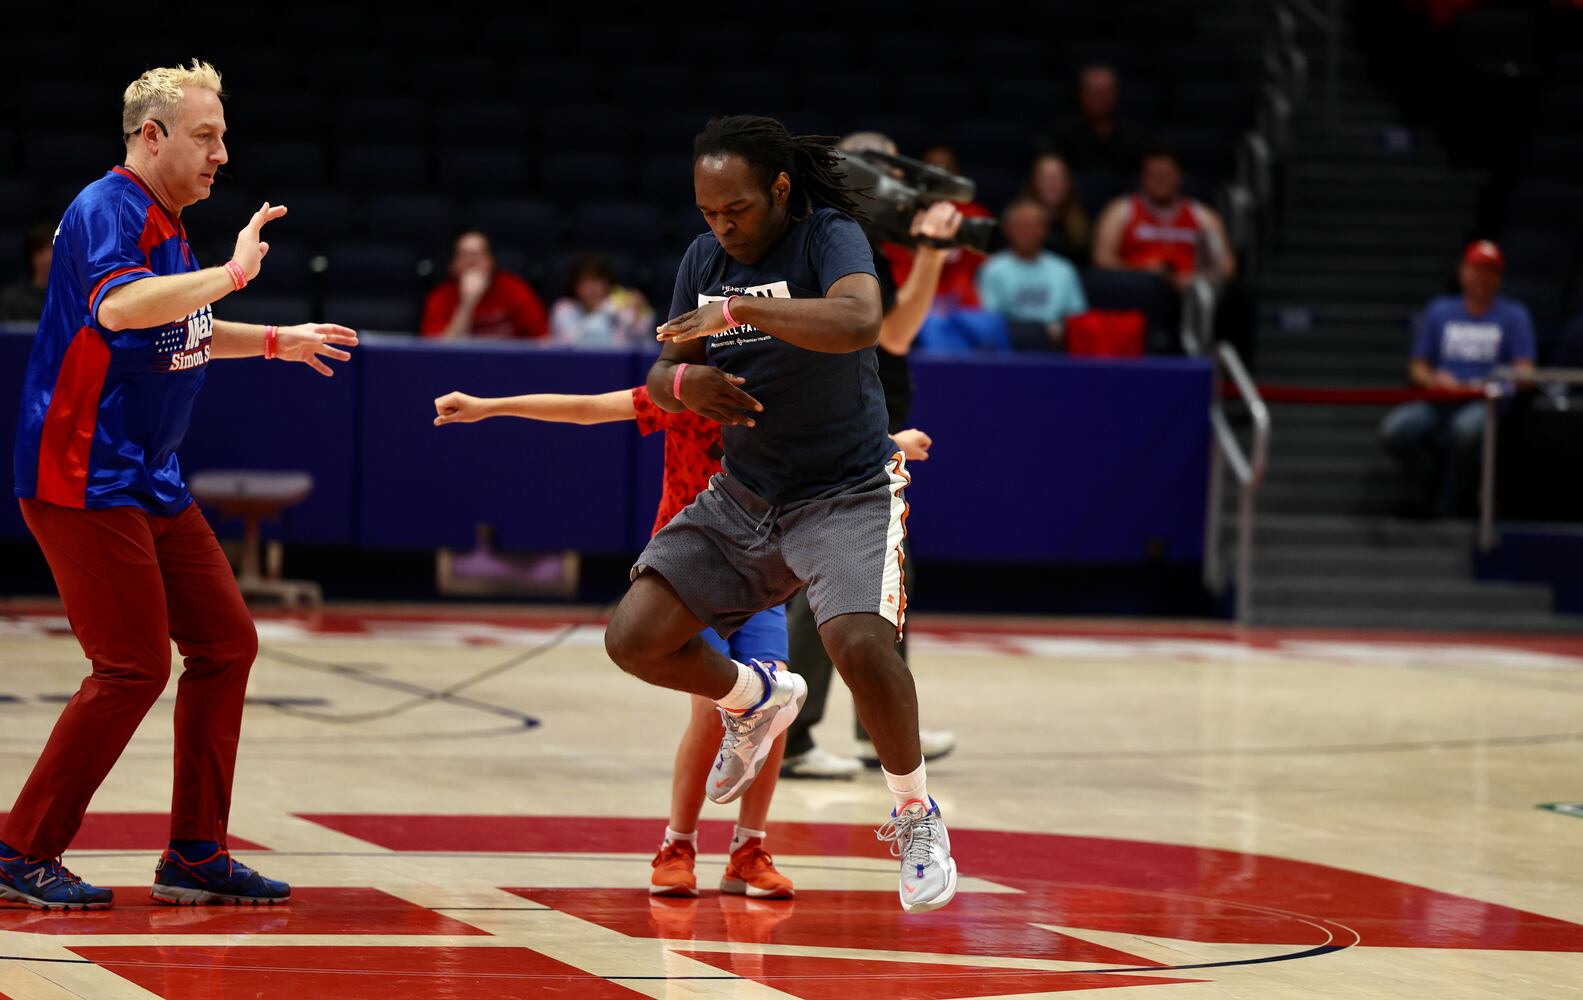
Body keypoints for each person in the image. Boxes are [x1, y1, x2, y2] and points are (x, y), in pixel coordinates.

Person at [3, 60, 357, 911]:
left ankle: (194, 853)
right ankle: (21, 851)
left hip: (146, 477)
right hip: (81, 472)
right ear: (151, 135)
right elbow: (122, 309)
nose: (221, 154)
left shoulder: (168, 223)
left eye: (223, 137)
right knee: (131, 667)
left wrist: (272, 340)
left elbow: (180, 323)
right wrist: (233, 274)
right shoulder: (106, 207)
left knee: (226, 644)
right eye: (206, 136)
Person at [602, 114, 959, 914]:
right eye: (709, 213)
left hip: (845, 489)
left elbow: (858, 322)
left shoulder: (828, 236)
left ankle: (914, 815)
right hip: (745, 493)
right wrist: (683, 384)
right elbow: (662, 370)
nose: (723, 227)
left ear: (779, 189)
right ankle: (755, 699)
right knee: (633, 637)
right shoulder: (701, 258)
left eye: (736, 209)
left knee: (857, 643)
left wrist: (737, 312)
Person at [429, 388, 930, 895]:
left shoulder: (770, 397)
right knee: (713, 710)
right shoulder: (683, 393)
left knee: (777, 701)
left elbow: (828, 447)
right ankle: (678, 844)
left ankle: (748, 850)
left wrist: (891, 444)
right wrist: (486, 406)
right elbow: (588, 408)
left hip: (765, 569)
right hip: (690, 574)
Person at [778, 132, 962, 782]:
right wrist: (933, 253)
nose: (901, 191)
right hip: (850, 425)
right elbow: (897, 334)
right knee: (835, 581)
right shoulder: (841, 244)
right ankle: (790, 736)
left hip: (858, 420)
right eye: (889, 177)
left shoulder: (843, 240)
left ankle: (880, 726)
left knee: (886, 577)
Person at [1379, 241, 1536, 517]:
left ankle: (1448, 508)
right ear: (1463, 271)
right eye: (1476, 269)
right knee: (1394, 430)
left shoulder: (1515, 315)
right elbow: (1417, 367)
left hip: (1485, 404)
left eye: (1489, 271)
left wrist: (1493, 384)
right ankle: (1428, 493)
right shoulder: (1440, 310)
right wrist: (1434, 380)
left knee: (1465, 431)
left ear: (1498, 278)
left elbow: (1525, 374)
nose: (1482, 277)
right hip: (1440, 399)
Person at [1093, 146, 1236, 291]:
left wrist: (1197, 279)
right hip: (1136, 289)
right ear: (1143, 178)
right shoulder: (1120, 211)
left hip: (1190, 292)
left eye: (1166, 175)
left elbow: (1227, 266)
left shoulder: (1203, 215)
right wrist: (1140, 273)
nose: (1160, 181)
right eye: (1154, 175)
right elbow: (1102, 259)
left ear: (1179, 176)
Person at [977, 199, 1088, 350]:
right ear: (1008, 229)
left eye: (1035, 225)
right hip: (1010, 344)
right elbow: (988, 318)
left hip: (1055, 346)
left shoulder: (1063, 269)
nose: (1028, 232)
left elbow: (1077, 316)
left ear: (1045, 230)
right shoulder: (993, 269)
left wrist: (1061, 329)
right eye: (1022, 225)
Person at [420, 229, 547, 340]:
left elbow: (542, 340)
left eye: (477, 255)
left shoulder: (514, 289)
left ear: (491, 261)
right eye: (463, 255)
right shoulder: (440, 297)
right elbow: (438, 353)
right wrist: (467, 303)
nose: (471, 262)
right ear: (452, 265)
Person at [1051, 63, 1140, 179]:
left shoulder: (1133, 134)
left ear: (1116, 94)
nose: (1100, 98)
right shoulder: (1061, 133)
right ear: (1082, 95)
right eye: (1094, 92)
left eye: (1105, 92)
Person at [547, 252, 654, 346]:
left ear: (608, 283)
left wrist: (637, 314)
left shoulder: (621, 305)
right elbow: (577, 343)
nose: (592, 288)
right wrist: (606, 308)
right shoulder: (563, 308)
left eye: (597, 280)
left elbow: (638, 344)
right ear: (574, 285)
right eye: (585, 281)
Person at [1023, 153, 1092, 264]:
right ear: (1033, 181)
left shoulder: (1080, 224)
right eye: (1046, 178)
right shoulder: (1017, 221)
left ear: (1068, 183)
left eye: (1059, 177)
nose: (1053, 183)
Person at [0, 223, 54, 323]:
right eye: (41, 252)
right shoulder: (12, 301)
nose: (49, 257)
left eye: (53, 249)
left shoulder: (73, 299)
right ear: (32, 256)